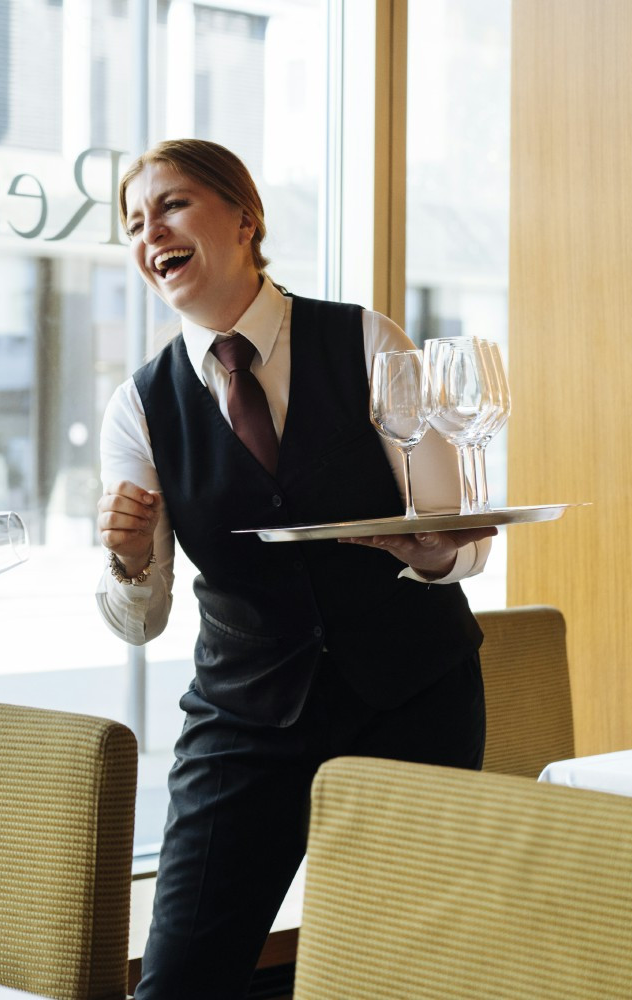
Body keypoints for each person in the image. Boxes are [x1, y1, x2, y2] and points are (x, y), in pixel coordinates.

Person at [95, 139, 497, 999]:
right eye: (133, 222)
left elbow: (463, 536)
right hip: (245, 720)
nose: (149, 232)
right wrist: (129, 560)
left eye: (170, 205)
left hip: (411, 700)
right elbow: (142, 619)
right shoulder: (139, 405)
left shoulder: (365, 339)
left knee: (397, 975)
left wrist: (431, 551)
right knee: (179, 979)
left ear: (245, 217)